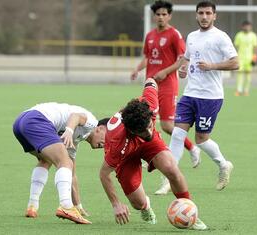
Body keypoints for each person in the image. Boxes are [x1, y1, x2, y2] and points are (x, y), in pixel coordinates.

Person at [99, 78, 207, 230]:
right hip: (126, 155)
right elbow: (104, 174)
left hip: (148, 144)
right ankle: (146, 207)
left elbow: (151, 81)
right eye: (143, 131)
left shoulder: (150, 104)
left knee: (172, 170)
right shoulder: (118, 144)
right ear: (132, 130)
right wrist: (116, 204)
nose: (149, 132)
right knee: (138, 203)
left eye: (150, 125)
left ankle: (190, 213)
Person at [156, 1, 239, 194]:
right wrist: (184, 68)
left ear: (214, 16)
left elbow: (236, 63)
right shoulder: (192, 37)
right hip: (189, 94)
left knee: (201, 139)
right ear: (196, 15)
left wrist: (212, 66)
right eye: (201, 13)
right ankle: (169, 178)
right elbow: (186, 57)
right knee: (177, 134)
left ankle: (223, 164)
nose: (204, 16)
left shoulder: (220, 37)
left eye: (208, 13)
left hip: (210, 97)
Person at [130, 0, 201, 179]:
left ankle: (192, 148)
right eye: (158, 14)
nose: (161, 17)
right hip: (150, 84)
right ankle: (149, 153)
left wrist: (165, 71)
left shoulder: (174, 35)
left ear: (169, 16)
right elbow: (147, 57)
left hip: (168, 85)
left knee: (168, 126)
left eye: (164, 14)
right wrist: (137, 69)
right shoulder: (150, 35)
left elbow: (182, 60)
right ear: (154, 16)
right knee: (145, 119)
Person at [12, 102, 108, 224]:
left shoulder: (76, 138)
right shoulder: (92, 123)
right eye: (108, 138)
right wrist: (69, 130)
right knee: (64, 161)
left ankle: (32, 206)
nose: (107, 144)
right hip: (36, 120)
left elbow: (72, 174)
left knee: (46, 160)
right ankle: (66, 207)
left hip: (20, 123)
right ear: (100, 128)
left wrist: (78, 205)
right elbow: (75, 116)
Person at [234, 20, 257, 96]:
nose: (247, 27)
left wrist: (255, 58)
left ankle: (246, 90)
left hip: (249, 58)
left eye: (248, 26)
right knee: (240, 74)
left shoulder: (254, 36)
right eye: (245, 26)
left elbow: (255, 47)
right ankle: (239, 90)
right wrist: (235, 57)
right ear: (242, 27)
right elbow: (236, 47)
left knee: (248, 75)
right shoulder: (239, 35)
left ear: (250, 27)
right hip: (240, 58)